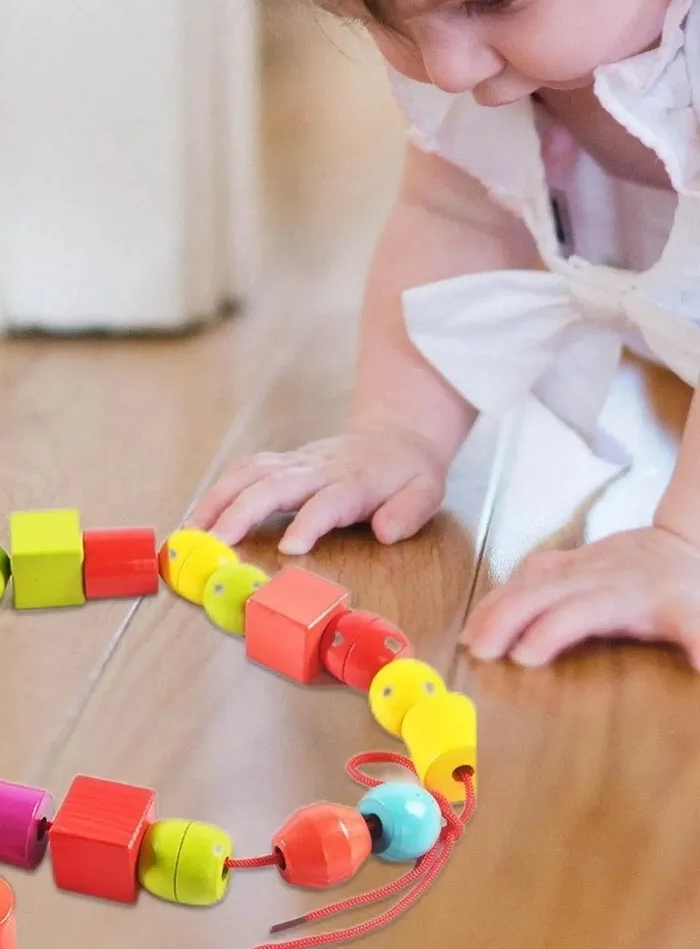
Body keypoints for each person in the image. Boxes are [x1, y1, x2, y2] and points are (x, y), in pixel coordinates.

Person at [189, 0, 700, 669]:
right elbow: (455, 217)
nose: (448, 70)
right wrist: (397, 432)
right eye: (381, 21)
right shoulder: (498, 66)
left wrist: (682, 546)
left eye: (490, 0)